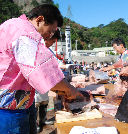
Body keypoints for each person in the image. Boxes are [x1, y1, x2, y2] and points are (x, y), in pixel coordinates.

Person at [0, 4, 84, 134]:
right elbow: (43, 72)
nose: (50, 35)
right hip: (9, 108)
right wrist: (70, 89)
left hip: (17, 103)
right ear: (40, 20)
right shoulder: (25, 32)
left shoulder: (12, 25)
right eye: (51, 30)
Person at [35, 29, 61, 133]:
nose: (52, 44)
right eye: (52, 41)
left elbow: (57, 62)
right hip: (36, 83)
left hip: (45, 84)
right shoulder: (36, 47)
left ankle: (43, 120)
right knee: (36, 104)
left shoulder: (48, 50)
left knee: (44, 102)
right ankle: (36, 123)